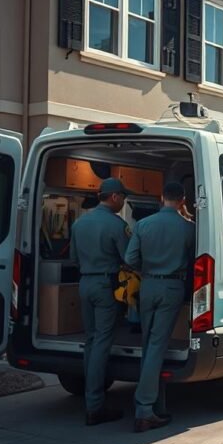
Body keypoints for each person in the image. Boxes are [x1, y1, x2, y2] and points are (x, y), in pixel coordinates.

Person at [125, 182, 195, 433]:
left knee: (148, 343)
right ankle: (144, 409)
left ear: (161, 197)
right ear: (182, 200)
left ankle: (155, 403)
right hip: (172, 287)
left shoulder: (143, 225)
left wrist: (147, 270)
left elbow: (130, 259)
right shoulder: (188, 229)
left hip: (148, 286)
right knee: (157, 345)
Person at [70, 177, 131, 425]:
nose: (123, 201)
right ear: (114, 197)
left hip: (85, 283)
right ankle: (95, 405)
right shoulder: (117, 225)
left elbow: (74, 258)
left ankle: (90, 397)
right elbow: (129, 258)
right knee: (102, 343)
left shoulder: (79, 223)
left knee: (91, 339)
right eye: (123, 197)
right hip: (106, 285)